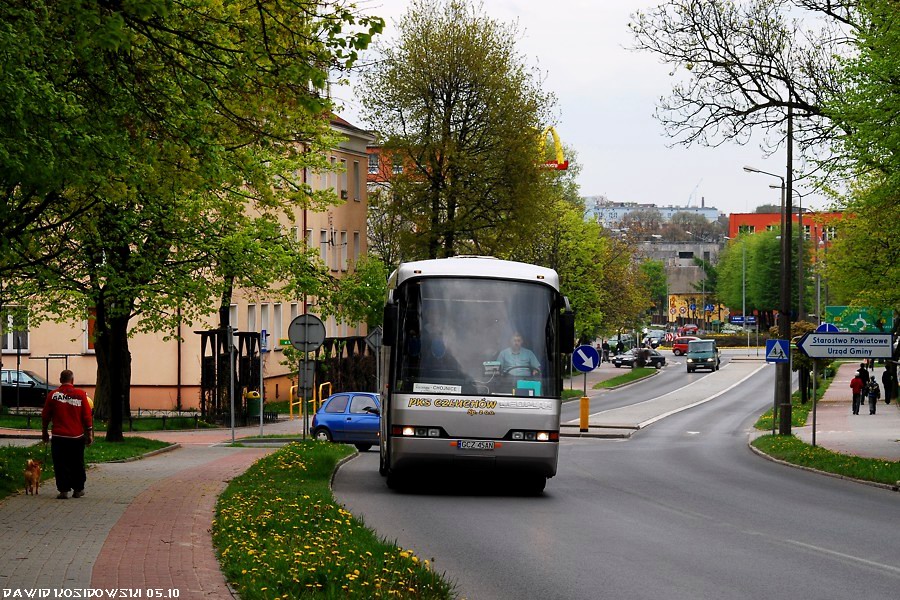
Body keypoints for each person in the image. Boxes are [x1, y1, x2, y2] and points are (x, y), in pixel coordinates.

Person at [41, 370, 93, 499]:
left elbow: (45, 415)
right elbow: (87, 416)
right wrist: (89, 433)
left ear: (60, 380)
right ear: (73, 380)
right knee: (77, 463)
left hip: (59, 436)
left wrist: (44, 432)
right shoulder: (81, 394)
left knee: (60, 463)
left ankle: (63, 490)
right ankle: (78, 489)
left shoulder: (53, 395)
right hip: (76, 436)